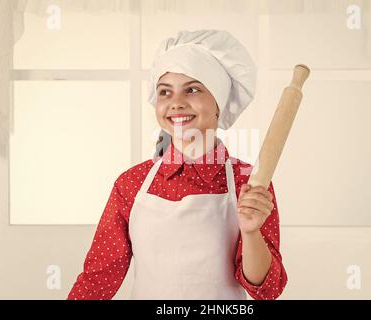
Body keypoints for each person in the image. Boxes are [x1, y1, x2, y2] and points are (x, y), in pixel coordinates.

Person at [67, 29, 287, 300]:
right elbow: (99, 278)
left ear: (218, 104)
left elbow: (267, 290)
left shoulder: (249, 182)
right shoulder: (131, 183)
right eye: (165, 92)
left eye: (192, 89)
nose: (176, 103)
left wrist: (251, 231)